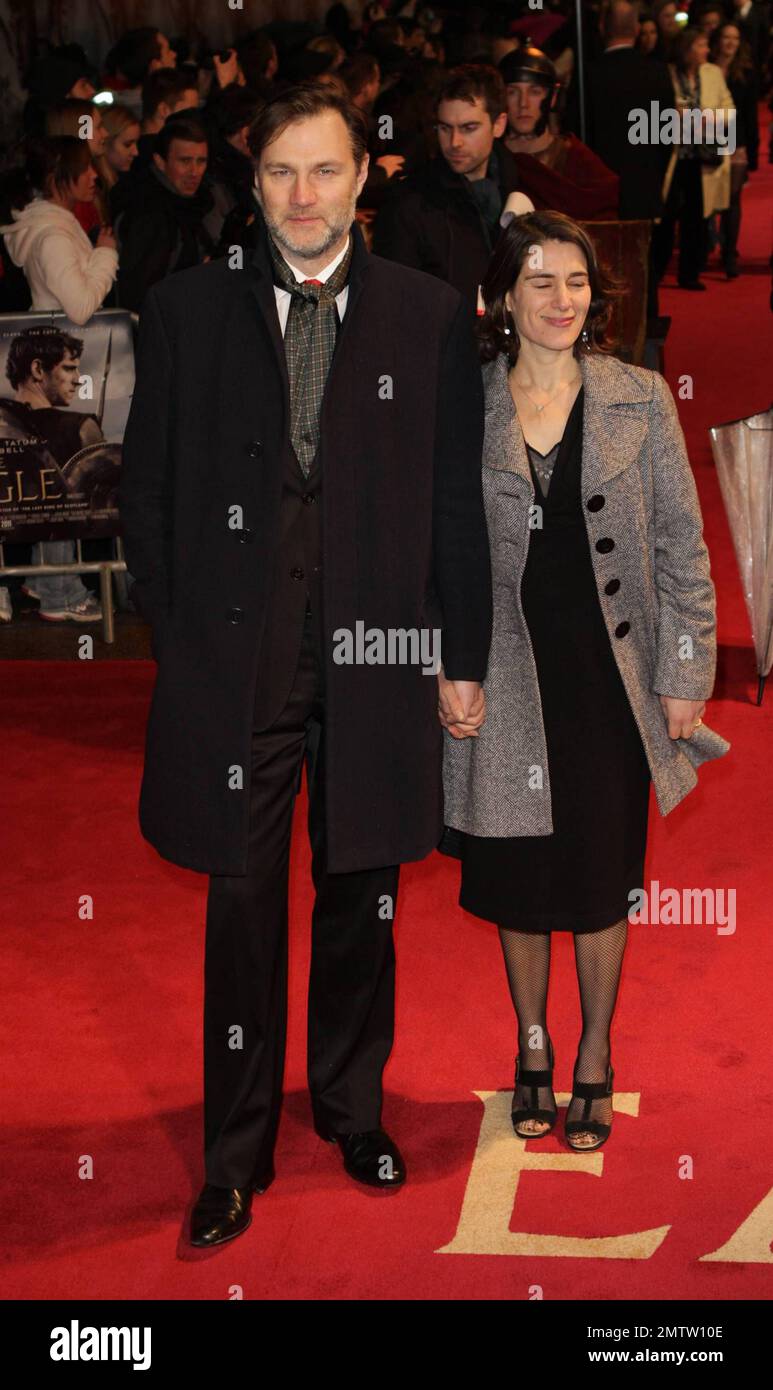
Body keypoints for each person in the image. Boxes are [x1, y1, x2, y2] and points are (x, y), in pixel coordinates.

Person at [117, 82, 492, 1248]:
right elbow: (148, 496)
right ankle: (234, 1153)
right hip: (239, 669)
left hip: (377, 660)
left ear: (364, 176)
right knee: (240, 909)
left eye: (323, 170)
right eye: (279, 171)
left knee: (361, 895)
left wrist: (459, 652)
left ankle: (349, 1108)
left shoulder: (428, 315)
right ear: (255, 177)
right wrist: (185, 649)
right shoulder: (184, 311)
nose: (300, 195)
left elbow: (449, 501)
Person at [441, 209, 729, 1151]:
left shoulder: (640, 395)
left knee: (601, 877)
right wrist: (448, 665)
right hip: (505, 676)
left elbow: (683, 543)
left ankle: (593, 1054)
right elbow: (436, 550)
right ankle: (532, 1045)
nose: (561, 301)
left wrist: (686, 667)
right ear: (502, 299)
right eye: (539, 282)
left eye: (575, 283)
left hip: (611, 678)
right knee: (518, 873)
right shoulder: (464, 401)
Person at [0, 139, 117, 622]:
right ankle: (58, 592)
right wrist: (106, 255)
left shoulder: (54, 227)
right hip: (52, 365)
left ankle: (53, 587)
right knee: (58, 484)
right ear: (59, 178)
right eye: (85, 169)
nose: (95, 177)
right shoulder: (51, 235)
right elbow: (81, 305)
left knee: (54, 483)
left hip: (52, 364)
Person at [372, 63, 520, 310]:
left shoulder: (521, 185)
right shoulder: (406, 205)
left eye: (469, 128)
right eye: (444, 128)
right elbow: (392, 304)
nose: (455, 142)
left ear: (499, 124)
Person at [653, 26, 735, 290]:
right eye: (701, 45)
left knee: (697, 216)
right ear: (687, 49)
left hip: (702, 155)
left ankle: (690, 273)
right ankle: (656, 271)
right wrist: (672, 115)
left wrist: (706, 119)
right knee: (665, 217)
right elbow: (653, 113)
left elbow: (729, 109)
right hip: (672, 156)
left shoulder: (712, 73)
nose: (707, 50)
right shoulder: (666, 73)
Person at [500, 48, 619, 221]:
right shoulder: (490, 158)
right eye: (512, 92)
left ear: (553, 96)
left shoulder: (578, 161)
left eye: (535, 92)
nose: (523, 103)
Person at [114, 114, 214, 312]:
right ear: (160, 162)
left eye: (201, 161)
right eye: (185, 161)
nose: (194, 171)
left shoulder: (196, 203)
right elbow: (139, 292)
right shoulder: (147, 213)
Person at [711, 21, 759, 277]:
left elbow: (750, 116)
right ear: (718, 40)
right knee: (707, 199)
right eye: (726, 37)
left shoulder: (746, 73)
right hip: (707, 140)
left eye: (735, 39)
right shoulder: (705, 69)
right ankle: (707, 246)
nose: (730, 43)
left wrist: (751, 152)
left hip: (735, 141)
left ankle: (729, 254)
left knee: (732, 200)